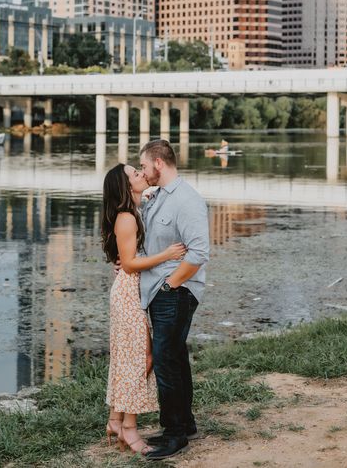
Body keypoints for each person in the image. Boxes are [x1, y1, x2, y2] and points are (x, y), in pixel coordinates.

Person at [101, 163, 186, 456]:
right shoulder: (126, 218)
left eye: (140, 170)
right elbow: (129, 263)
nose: (141, 174)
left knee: (131, 357)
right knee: (139, 359)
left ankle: (116, 420)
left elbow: (126, 258)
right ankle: (129, 428)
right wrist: (168, 255)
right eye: (135, 174)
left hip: (131, 291)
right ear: (126, 186)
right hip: (127, 295)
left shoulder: (136, 209)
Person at [139, 139, 210, 461]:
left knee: (165, 360)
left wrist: (170, 286)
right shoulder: (156, 198)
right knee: (176, 357)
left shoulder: (187, 201)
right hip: (160, 291)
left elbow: (199, 252)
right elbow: (152, 242)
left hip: (176, 293)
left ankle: (174, 434)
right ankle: (186, 423)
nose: (142, 172)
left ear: (158, 164)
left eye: (143, 166)